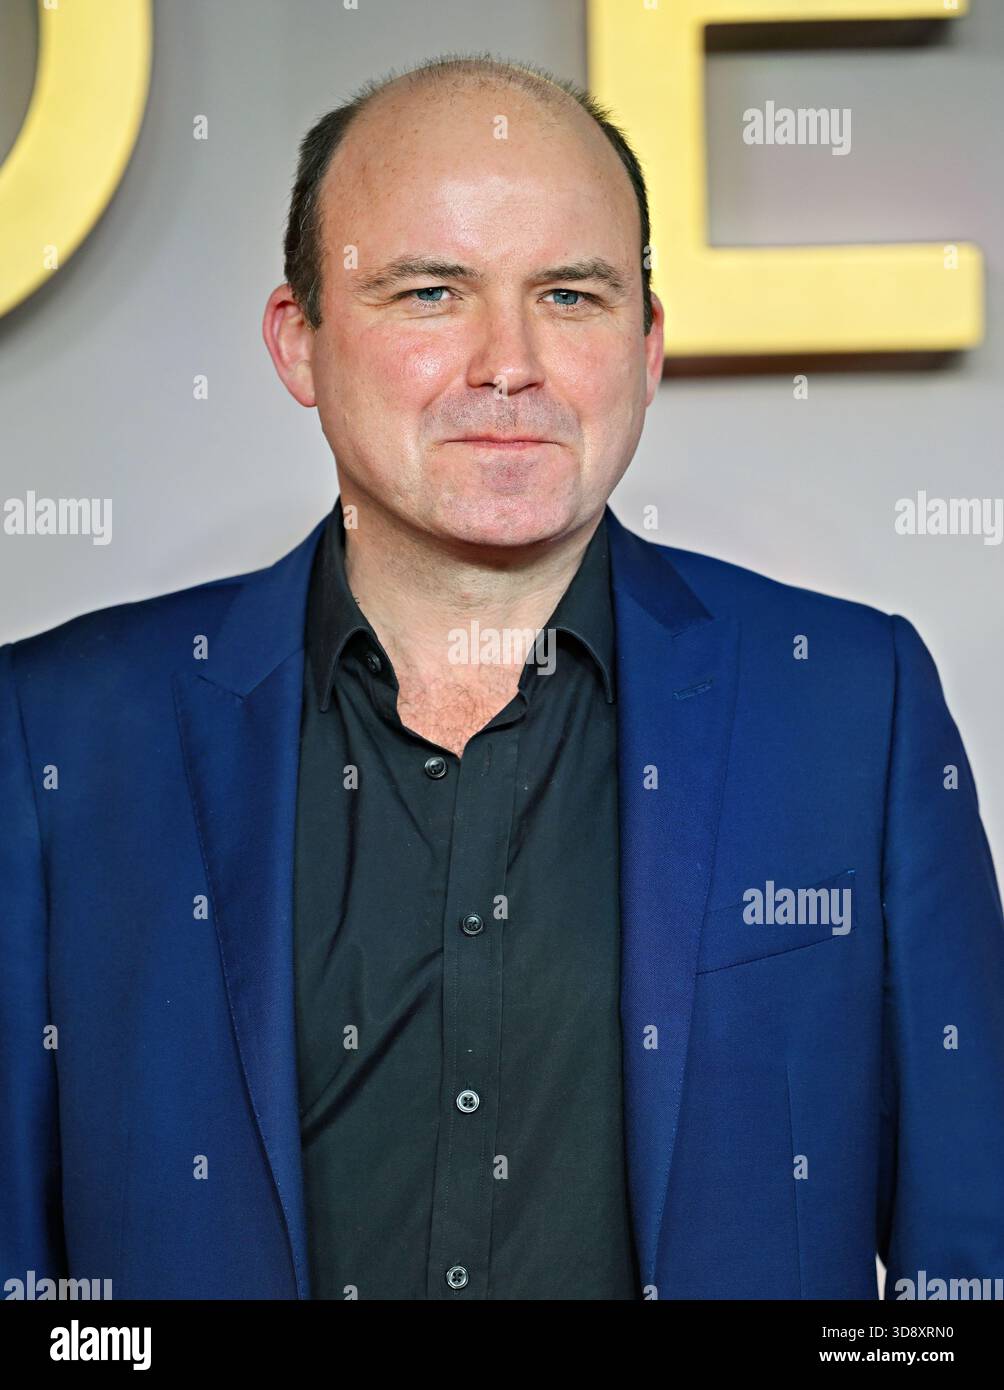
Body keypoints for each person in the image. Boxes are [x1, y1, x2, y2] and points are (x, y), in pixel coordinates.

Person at [2, 54, 1002, 1302]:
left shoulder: (857, 707)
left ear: (645, 346)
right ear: (298, 341)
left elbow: (969, 1269)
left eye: (572, 297)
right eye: (430, 292)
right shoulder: (58, 734)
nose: (507, 363)